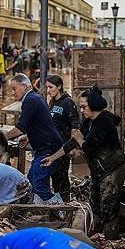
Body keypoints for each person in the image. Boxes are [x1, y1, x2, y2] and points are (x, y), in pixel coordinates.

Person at [42, 86, 125, 239]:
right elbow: (72, 143)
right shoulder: (88, 122)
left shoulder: (104, 122)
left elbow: (87, 146)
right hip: (98, 170)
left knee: (109, 208)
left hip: (112, 169)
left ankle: (112, 241)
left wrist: (79, 138)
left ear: (93, 105)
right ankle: (97, 236)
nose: (81, 110)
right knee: (94, 203)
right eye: (80, 106)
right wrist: (53, 157)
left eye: (83, 106)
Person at [6, 74, 63, 204]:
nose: (13, 93)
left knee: (38, 183)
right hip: (45, 147)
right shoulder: (34, 97)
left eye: (14, 89)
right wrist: (29, 137)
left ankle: (61, 211)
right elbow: (39, 123)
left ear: (24, 86)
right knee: (31, 180)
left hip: (48, 149)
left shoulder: (30, 100)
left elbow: (20, 128)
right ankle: (40, 209)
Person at [46, 74, 79, 202]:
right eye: (47, 88)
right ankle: (57, 203)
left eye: (51, 87)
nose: (48, 91)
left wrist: (72, 147)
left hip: (64, 147)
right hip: (52, 147)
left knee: (62, 176)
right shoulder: (52, 102)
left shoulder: (68, 102)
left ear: (59, 87)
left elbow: (74, 125)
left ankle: (65, 204)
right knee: (54, 176)